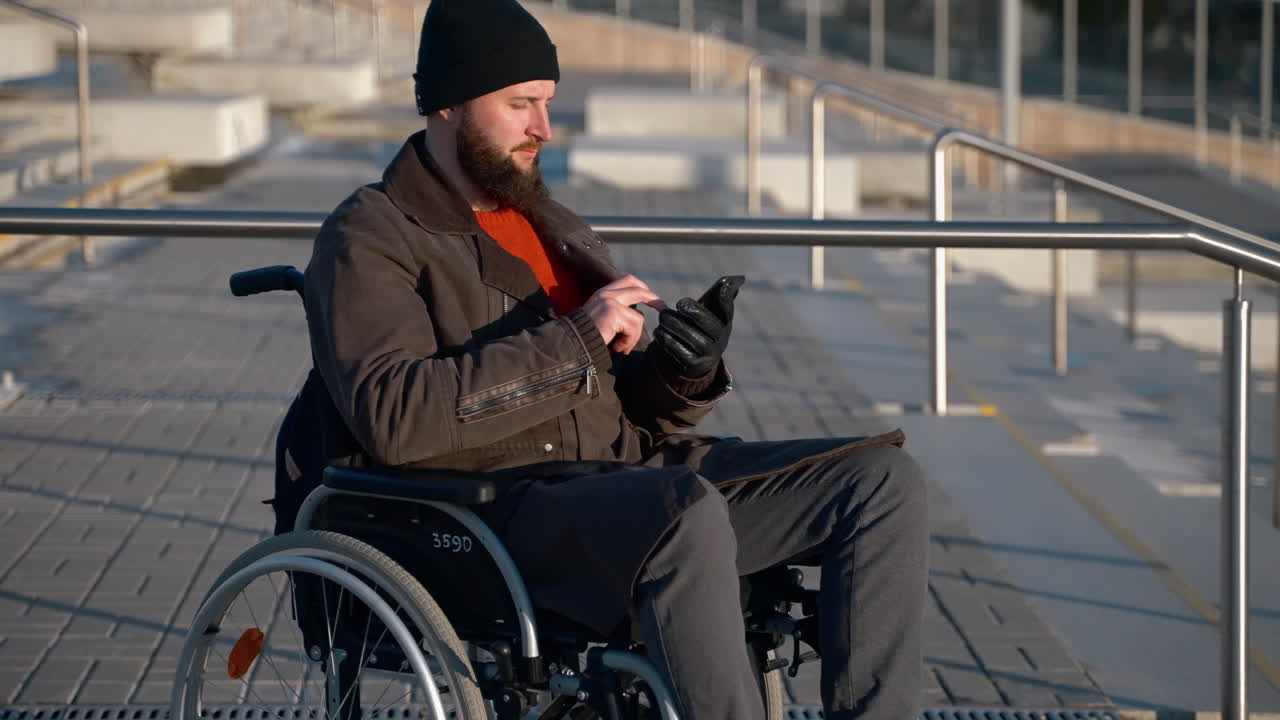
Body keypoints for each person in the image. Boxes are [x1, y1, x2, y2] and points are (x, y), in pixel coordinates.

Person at [275, 0, 928, 717]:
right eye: (520, 104)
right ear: (449, 105)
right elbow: (396, 417)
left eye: (547, 104)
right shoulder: (371, 235)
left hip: (621, 483)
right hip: (496, 510)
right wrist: (581, 336)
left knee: (880, 480)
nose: (543, 129)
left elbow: (610, 401)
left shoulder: (543, 221)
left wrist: (684, 371)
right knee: (685, 513)